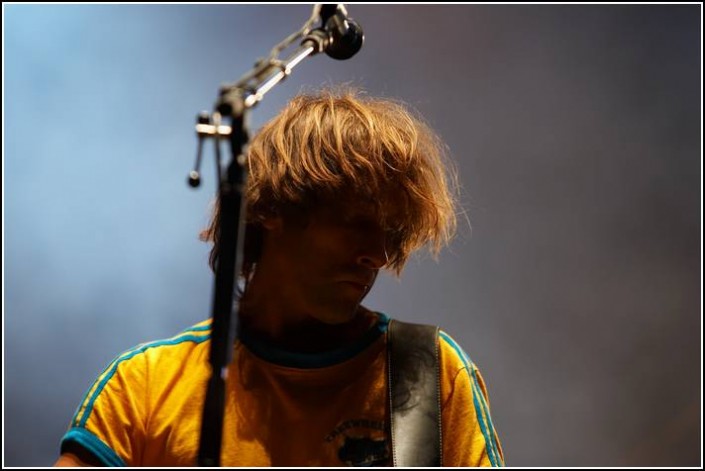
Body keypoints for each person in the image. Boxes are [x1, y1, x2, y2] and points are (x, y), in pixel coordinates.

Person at [55, 88, 504, 467]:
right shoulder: (146, 387)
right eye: (355, 220)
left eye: (389, 232)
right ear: (273, 209)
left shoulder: (428, 374)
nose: (378, 254)